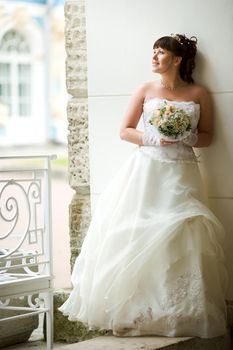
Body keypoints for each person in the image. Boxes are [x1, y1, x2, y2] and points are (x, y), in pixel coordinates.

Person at [59, 34, 228, 338]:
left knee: (182, 232)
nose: (153, 57)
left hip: (183, 173)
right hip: (148, 169)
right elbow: (124, 131)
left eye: (160, 52)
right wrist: (154, 138)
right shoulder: (145, 89)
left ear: (177, 60)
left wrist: (186, 138)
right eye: (153, 51)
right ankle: (139, 312)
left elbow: (207, 136)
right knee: (139, 231)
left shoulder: (199, 92)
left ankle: (179, 312)